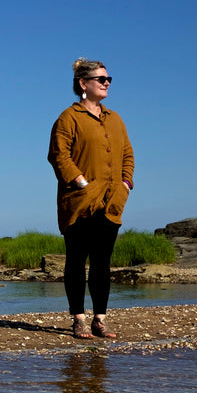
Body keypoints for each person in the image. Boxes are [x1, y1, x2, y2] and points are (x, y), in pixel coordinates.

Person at [47, 58, 134, 339]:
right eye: (101, 79)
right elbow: (59, 156)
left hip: (112, 201)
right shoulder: (68, 118)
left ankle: (100, 319)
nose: (107, 83)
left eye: (109, 79)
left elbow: (128, 155)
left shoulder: (115, 119)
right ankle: (78, 319)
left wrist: (126, 184)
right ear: (84, 84)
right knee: (76, 261)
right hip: (79, 202)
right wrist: (81, 182)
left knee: (102, 262)